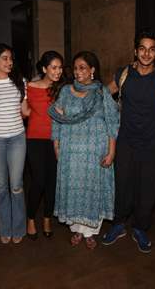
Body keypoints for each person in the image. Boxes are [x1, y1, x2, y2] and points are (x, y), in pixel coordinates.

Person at [102, 29, 155, 254]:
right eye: (142, 49)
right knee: (122, 185)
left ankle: (140, 228)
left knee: (147, 189)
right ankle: (119, 225)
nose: (146, 53)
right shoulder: (123, 74)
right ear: (136, 51)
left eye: (151, 50)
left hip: (151, 144)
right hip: (125, 142)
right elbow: (103, 96)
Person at [48, 51, 119, 249]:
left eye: (83, 68)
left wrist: (111, 151)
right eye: (76, 68)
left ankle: (90, 232)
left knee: (91, 191)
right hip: (71, 153)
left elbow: (112, 124)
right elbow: (57, 121)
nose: (78, 72)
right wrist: (57, 146)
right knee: (74, 190)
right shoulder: (65, 92)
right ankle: (77, 230)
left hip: (94, 153)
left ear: (92, 70)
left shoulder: (101, 93)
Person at [0, 43, 28, 244]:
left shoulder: (20, 81)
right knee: (1, 186)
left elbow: (25, 111)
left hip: (17, 137)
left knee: (16, 185)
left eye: (11, 58)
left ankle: (19, 227)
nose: (9, 62)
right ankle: (5, 228)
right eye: (5, 58)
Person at [23, 51, 65, 240]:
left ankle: (47, 218)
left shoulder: (62, 89)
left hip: (56, 140)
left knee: (52, 182)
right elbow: (24, 112)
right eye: (54, 67)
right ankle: (30, 217)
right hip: (35, 139)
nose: (58, 71)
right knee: (38, 179)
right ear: (44, 69)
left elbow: (65, 115)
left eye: (60, 67)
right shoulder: (29, 87)